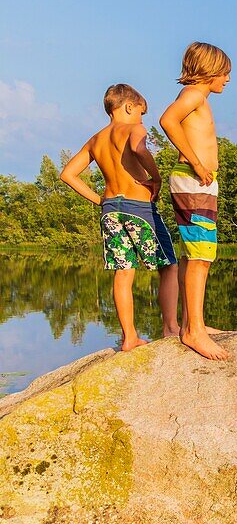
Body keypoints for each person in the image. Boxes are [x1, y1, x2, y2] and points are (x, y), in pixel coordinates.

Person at [60, 84, 179, 351]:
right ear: (129, 106)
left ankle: (129, 337)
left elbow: (67, 174)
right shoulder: (133, 129)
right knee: (169, 265)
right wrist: (155, 178)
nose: (142, 119)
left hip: (111, 209)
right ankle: (171, 327)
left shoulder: (96, 139)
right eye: (141, 112)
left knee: (123, 272)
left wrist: (100, 200)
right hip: (139, 208)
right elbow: (139, 149)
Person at [159, 41, 231, 360]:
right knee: (201, 254)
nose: (227, 79)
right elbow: (167, 120)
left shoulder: (197, 97)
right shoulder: (194, 94)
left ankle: (193, 322)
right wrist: (197, 163)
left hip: (199, 182)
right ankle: (193, 332)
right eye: (225, 73)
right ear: (210, 71)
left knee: (194, 253)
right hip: (193, 179)